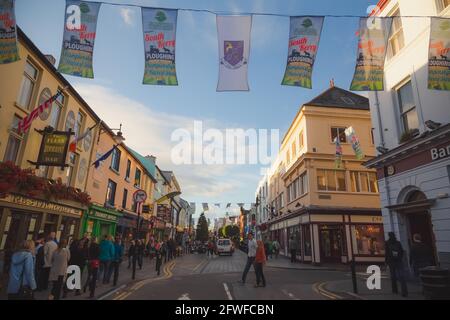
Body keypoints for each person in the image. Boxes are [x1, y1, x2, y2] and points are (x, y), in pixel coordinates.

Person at [385, 232, 408, 297]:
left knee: (393, 276)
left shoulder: (387, 243)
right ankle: (404, 292)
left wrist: (386, 261)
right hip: (399, 261)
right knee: (402, 276)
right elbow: (402, 251)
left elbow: (386, 253)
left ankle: (395, 290)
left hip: (391, 262)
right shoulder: (398, 242)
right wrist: (399, 258)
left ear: (389, 236)